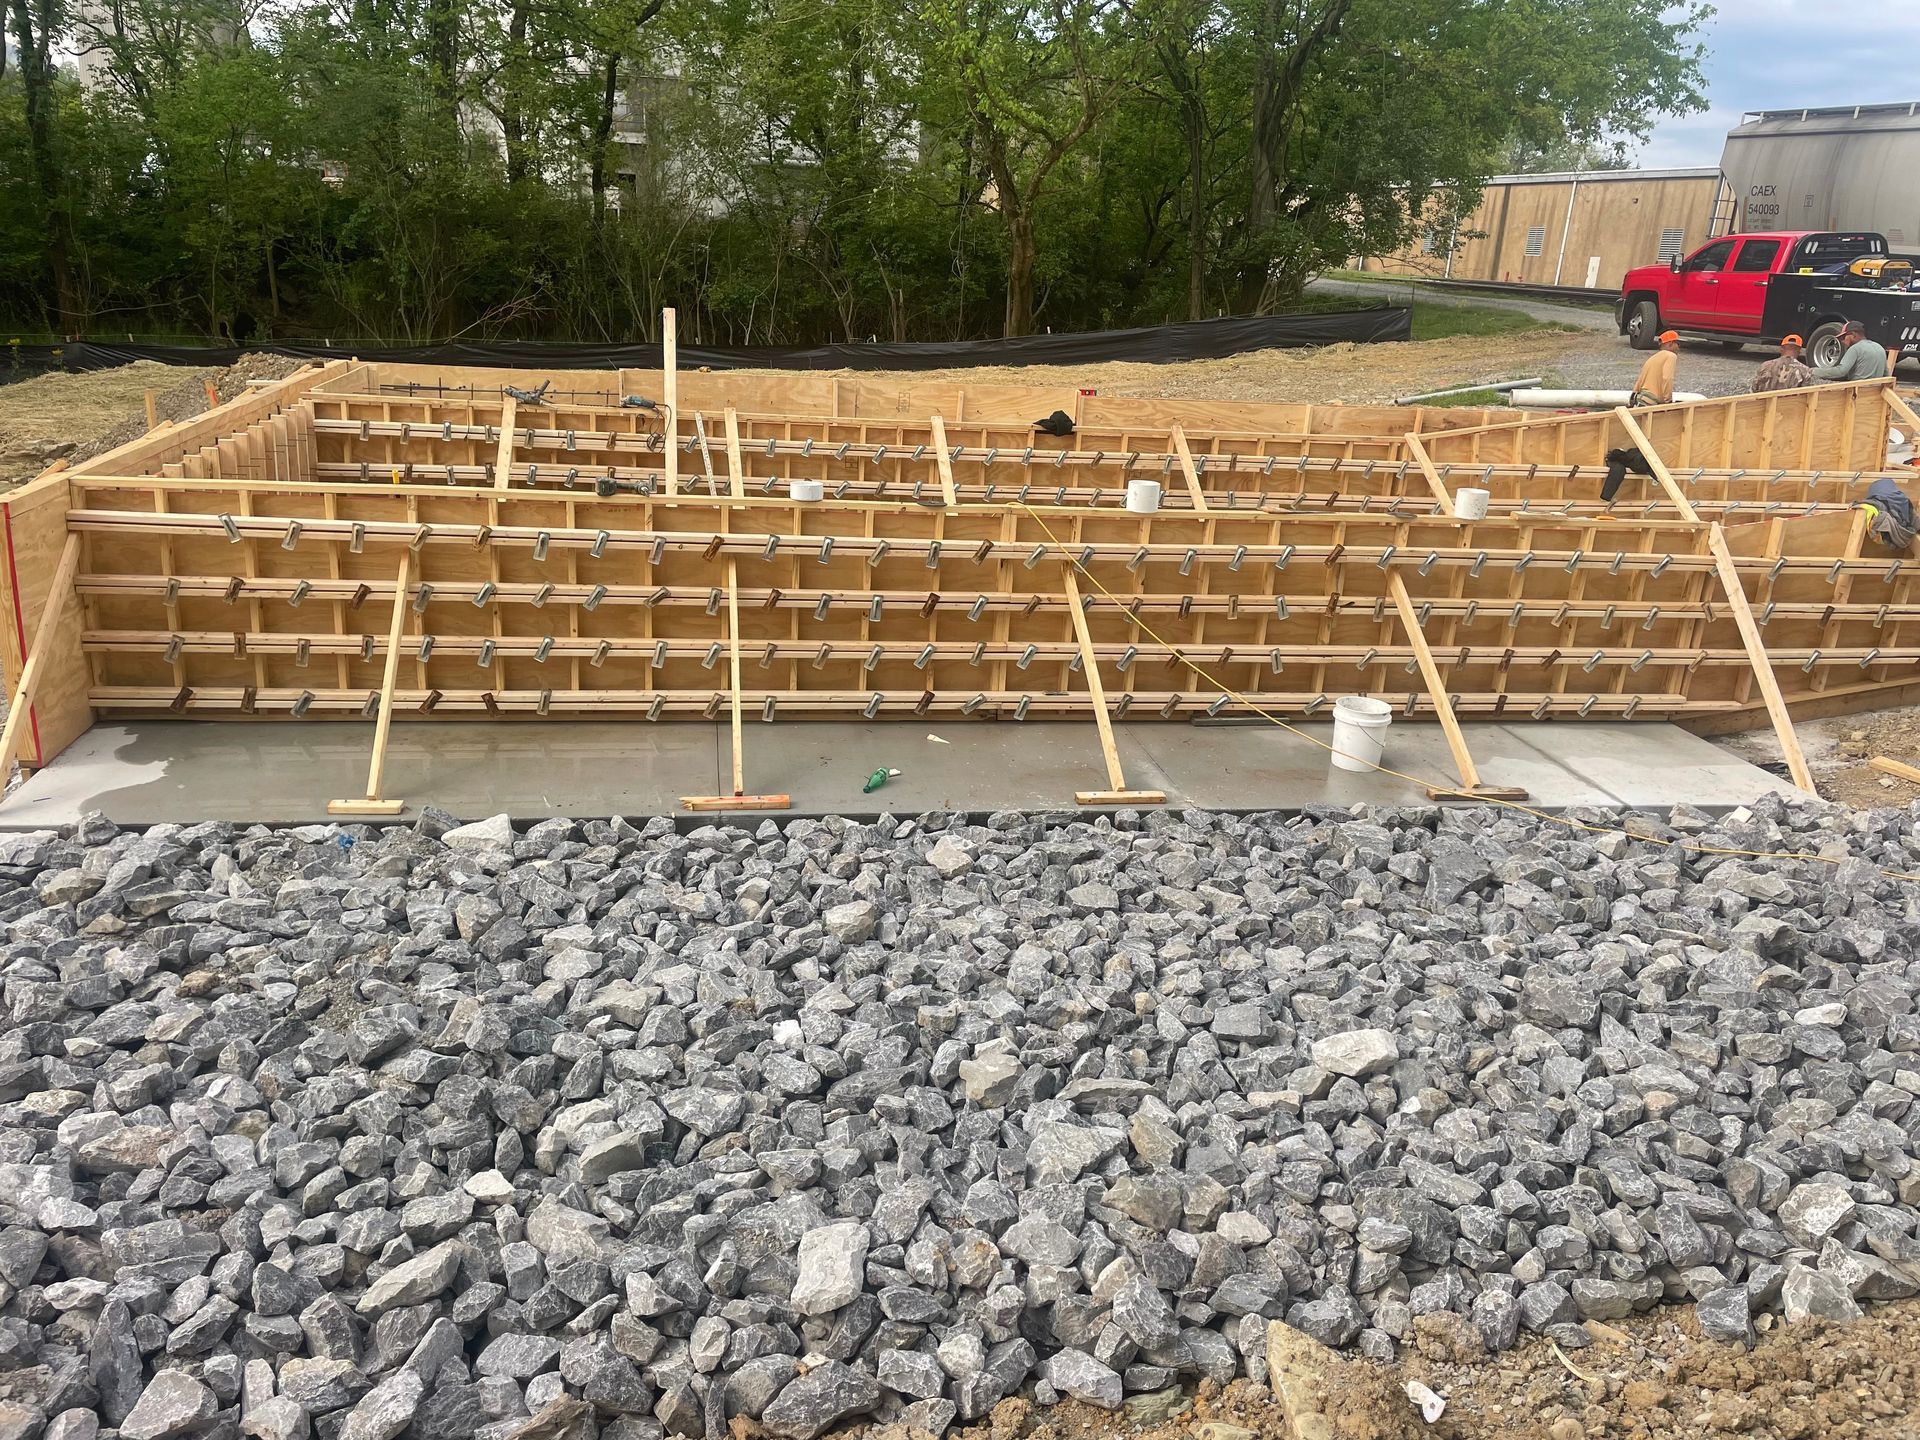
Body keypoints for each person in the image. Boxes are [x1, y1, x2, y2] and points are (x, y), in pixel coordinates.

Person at [1811, 320, 1890, 382]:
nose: (1842, 341)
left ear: (1853, 335)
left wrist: (1813, 371)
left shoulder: (1855, 349)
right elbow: (1886, 374)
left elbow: (1841, 371)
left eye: (1843, 337)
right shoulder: (1879, 347)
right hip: (1874, 393)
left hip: (1857, 392)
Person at [1631, 331, 1679, 406]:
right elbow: (1667, 378)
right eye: (1677, 344)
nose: (1678, 347)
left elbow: (1639, 381)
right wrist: (1668, 401)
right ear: (1671, 343)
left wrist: (1632, 398)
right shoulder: (1670, 356)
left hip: (1641, 399)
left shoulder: (1652, 359)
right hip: (1651, 402)